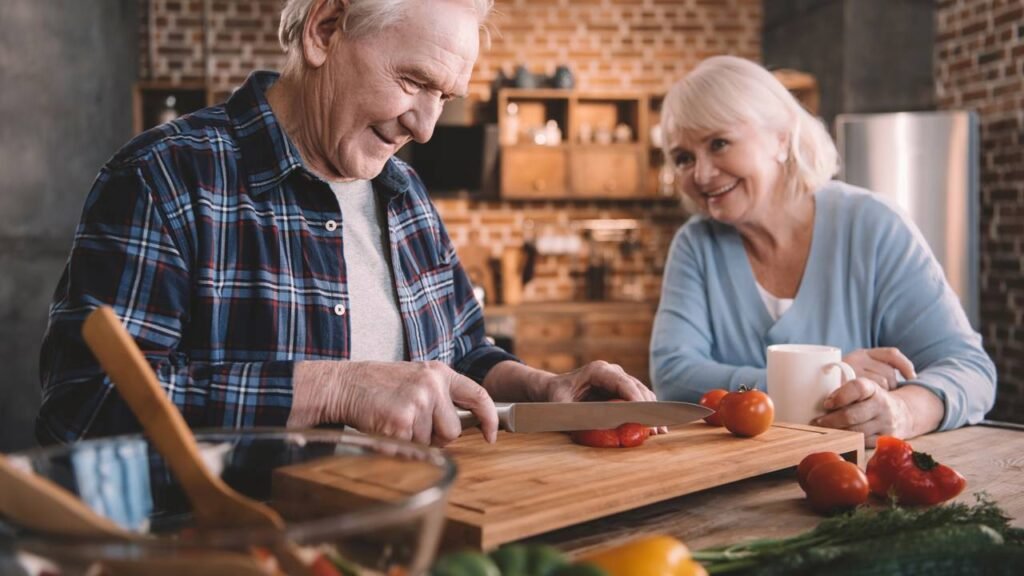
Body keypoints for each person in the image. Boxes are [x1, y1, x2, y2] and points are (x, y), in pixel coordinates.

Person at [37, 0, 656, 447]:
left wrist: (543, 390)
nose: (425, 126)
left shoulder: (405, 192)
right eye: (413, 81)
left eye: (445, 96)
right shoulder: (164, 178)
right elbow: (85, 407)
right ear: (325, 29)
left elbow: (461, 355)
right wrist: (336, 390)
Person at [650, 55, 996, 447]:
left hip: (855, 486)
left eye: (719, 143)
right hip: (729, 485)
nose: (702, 174)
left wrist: (902, 411)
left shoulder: (873, 226)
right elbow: (673, 377)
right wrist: (816, 378)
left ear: (781, 137)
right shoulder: (696, 246)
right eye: (683, 158)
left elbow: (971, 369)